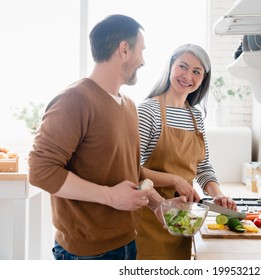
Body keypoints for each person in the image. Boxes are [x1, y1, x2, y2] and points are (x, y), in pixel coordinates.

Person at [28, 14, 181, 260]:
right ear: (124, 50)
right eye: (141, 50)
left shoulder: (129, 105)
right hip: (86, 253)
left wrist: (156, 204)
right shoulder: (74, 100)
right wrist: (109, 195)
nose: (143, 60)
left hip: (127, 241)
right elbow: (40, 171)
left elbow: (128, 170)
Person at [135, 44, 237, 260]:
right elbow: (131, 169)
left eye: (196, 71)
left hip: (182, 221)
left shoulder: (196, 117)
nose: (187, 75)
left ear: (203, 79)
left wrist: (217, 195)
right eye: (183, 66)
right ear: (171, 66)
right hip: (150, 218)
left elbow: (203, 166)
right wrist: (174, 180)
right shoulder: (148, 111)